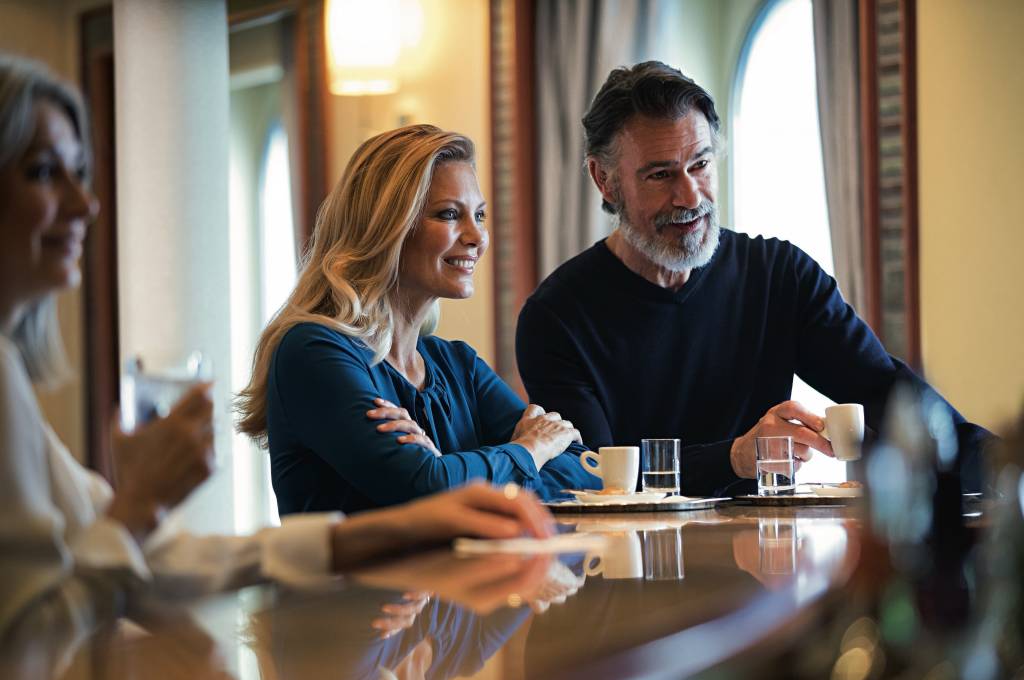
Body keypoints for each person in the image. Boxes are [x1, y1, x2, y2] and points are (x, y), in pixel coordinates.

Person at [0, 53, 556, 637]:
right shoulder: (314, 350)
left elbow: (162, 557)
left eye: (79, 173)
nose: (87, 204)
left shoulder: (11, 376)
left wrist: (405, 523)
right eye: (43, 172)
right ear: (389, 227)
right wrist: (138, 505)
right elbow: (30, 641)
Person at [515, 60, 993, 496]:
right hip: (629, 559)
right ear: (604, 180)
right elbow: (594, 476)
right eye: (660, 175)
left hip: (768, 550)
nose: (690, 196)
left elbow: (888, 394)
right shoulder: (555, 317)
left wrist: (1003, 467)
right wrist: (735, 457)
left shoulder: (781, 276)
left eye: (701, 164)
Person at [236, 124, 600, 515]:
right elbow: (428, 488)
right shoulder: (313, 351)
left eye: (479, 215)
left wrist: (447, 470)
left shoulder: (458, 364)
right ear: (385, 227)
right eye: (449, 214)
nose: (477, 236)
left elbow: (587, 472)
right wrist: (530, 449)